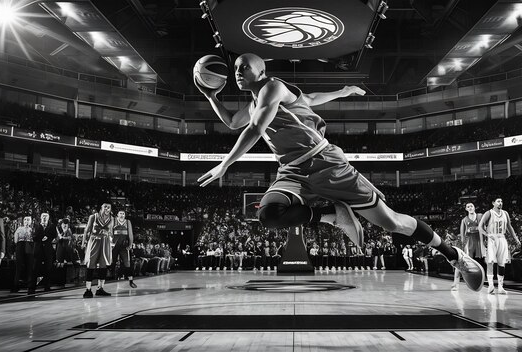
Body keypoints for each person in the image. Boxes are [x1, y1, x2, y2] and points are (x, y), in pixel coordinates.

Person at [195, 53, 484, 291]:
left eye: (244, 67)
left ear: (261, 70)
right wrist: (210, 96)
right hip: (293, 171)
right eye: (235, 68)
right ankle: (332, 216)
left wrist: (225, 164)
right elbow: (236, 120)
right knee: (268, 215)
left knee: (392, 223)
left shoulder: (272, 87)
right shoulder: (256, 101)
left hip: (326, 164)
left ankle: (453, 255)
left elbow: (255, 128)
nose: (237, 71)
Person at [478, 197, 520, 295]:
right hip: (492, 238)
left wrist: (515, 238)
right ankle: (491, 285)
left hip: (502, 238)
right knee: (490, 261)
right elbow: (480, 227)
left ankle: (501, 287)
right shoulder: (488, 213)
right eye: (498, 201)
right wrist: (487, 235)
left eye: (501, 201)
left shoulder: (505, 213)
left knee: (502, 263)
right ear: (493, 203)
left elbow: (509, 227)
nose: (500, 203)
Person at [82, 203, 114, 298]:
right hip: (94, 241)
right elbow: (87, 230)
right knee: (91, 264)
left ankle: (100, 288)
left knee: (103, 265)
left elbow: (111, 232)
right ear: (101, 208)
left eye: (109, 207)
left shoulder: (112, 218)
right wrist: (83, 242)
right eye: (105, 207)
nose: (107, 209)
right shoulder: (93, 216)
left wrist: (109, 235)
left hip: (105, 242)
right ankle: (88, 290)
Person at [453, 203, 485, 291]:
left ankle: (488, 284)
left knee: (485, 262)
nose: (470, 208)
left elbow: (484, 227)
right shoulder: (464, 220)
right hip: (469, 243)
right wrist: (463, 246)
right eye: (468, 207)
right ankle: (456, 283)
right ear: (466, 209)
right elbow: (462, 235)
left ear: (474, 207)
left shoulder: (480, 216)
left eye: (471, 206)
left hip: (479, 242)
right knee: (462, 262)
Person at [29, 212, 57, 294]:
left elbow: (54, 235)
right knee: (35, 268)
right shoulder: (36, 226)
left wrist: (47, 238)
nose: (44, 218)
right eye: (43, 216)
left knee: (48, 268)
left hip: (48, 250)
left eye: (46, 216)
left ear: (48, 218)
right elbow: (33, 236)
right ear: (41, 218)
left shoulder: (52, 226)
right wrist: (41, 238)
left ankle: (47, 286)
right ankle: (32, 287)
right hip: (38, 249)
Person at [112, 210, 137, 288]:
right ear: (117, 215)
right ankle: (108, 280)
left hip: (124, 246)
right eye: (120, 213)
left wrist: (130, 244)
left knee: (128, 263)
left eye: (123, 213)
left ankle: (131, 281)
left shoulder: (128, 222)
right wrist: (110, 243)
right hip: (114, 245)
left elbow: (131, 234)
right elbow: (110, 232)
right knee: (111, 262)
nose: (122, 215)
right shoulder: (113, 220)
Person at [12, 216, 34, 293]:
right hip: (20, 247)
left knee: (29, 267)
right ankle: (16, 286)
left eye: (28, 220)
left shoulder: (32, 230)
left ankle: (30, 287)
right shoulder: (19, 229)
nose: (26, 221)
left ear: (31, 221)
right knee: (18, 267)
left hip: (29, 247)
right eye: (25, 219)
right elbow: (15, 240)